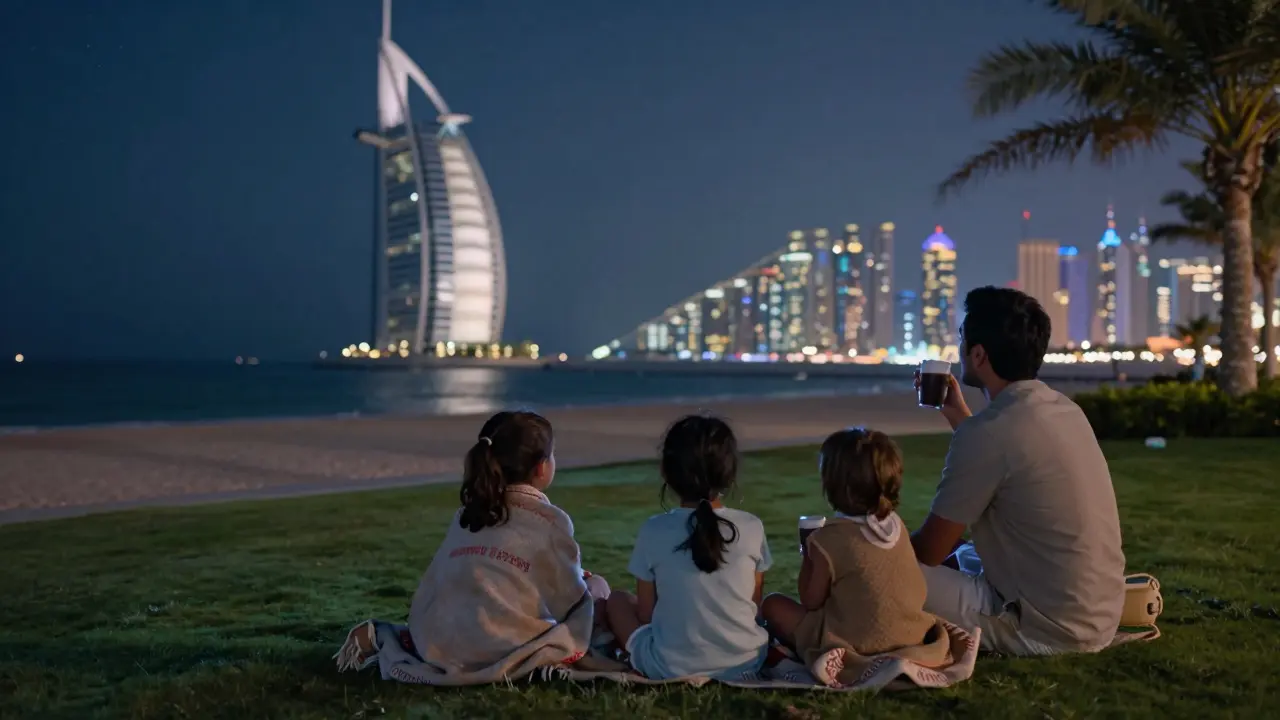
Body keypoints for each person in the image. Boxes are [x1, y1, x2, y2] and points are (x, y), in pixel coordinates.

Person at [911, 286, 1126, 655]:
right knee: (962, 553)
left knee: (881, 571)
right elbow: (1004, 452)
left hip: (1043, 626)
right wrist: (956, 414)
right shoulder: (1063, 410)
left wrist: (876, 544)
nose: (960, 349)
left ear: (978, 354)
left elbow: (929, 550)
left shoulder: (989, 433)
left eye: (963, 339)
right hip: (1096, 613)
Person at [406, 411, 609, 672]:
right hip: (503, 643)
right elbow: (569, 602)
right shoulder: (548, 520)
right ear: (541, 467)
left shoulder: (467, 515)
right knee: (597, 586)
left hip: (442, 641)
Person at [761, 428, 948, 667]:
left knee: (773, 604)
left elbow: (811, 600)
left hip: (858, 642)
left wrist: (808, 554)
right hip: (910, 634)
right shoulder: (895, 525)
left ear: (834, 486)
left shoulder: (827, 539)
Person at [604, 415, 773, 680]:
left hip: (669, 667)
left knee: (616, 601)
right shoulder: (752, 526)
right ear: (730, 472)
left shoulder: (654, 529)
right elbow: (755, 607)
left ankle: (627, 658)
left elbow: (646, 616)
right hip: (745, 662)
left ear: (666, 472)